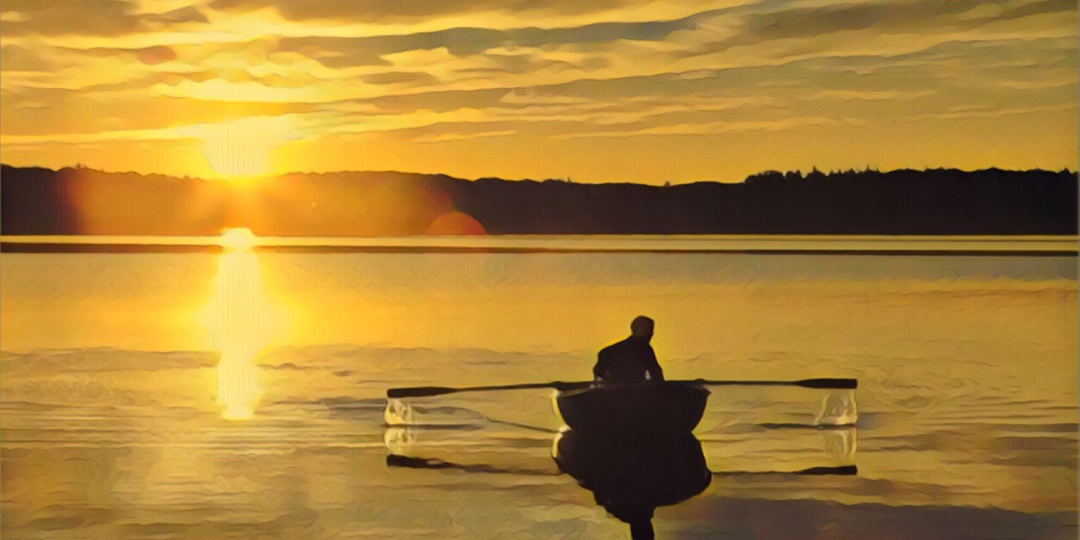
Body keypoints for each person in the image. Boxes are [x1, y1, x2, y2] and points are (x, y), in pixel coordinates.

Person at [593, 316, 665, 384]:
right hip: (635, 393)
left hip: (613, 392)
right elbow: (657, 376)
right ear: (645, 332)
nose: (652, 334)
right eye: (651, 331)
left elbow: (598, 373)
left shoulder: (606, 352)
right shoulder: (644, 349)